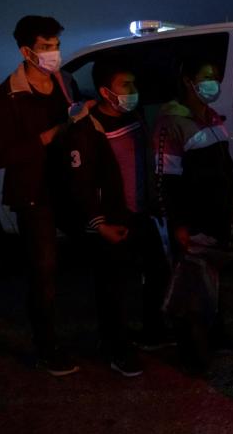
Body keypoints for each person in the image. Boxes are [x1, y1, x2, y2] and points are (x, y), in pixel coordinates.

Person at [0, 15, 93, 376]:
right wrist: (48, 137)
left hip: (69, 185)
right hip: (34, 194)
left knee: (100, 245)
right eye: (46, 48)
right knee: (44, 269)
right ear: (26, 51)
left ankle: (111, 330)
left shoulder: (65, 82)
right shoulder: (8, 94)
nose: (54, 54)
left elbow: (76, 126)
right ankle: (48, 347)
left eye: (56, 46)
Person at [64, 57, 173, 377]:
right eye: (125, 85)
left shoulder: (135, 116)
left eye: (134, 84)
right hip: (112, 220)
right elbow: (80, 182)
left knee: (158, 272)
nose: (133, 90)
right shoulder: (87, 127)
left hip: (141, 213)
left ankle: (152, 333)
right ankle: (116, 348)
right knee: (112, 288)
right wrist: (99, 223)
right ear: (104, 91)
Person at [153, 57, 233, 375]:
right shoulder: (171, 123)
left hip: (218, 214)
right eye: (208, 75)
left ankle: (216, 337)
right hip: (193, 217)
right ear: (188, 81)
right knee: (191, 284)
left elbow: (225, 165)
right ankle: (192, 355)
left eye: (216, 76)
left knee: (212, 280)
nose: (214, 82)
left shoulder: (212, 117)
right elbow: (166, 178)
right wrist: (179, 222)